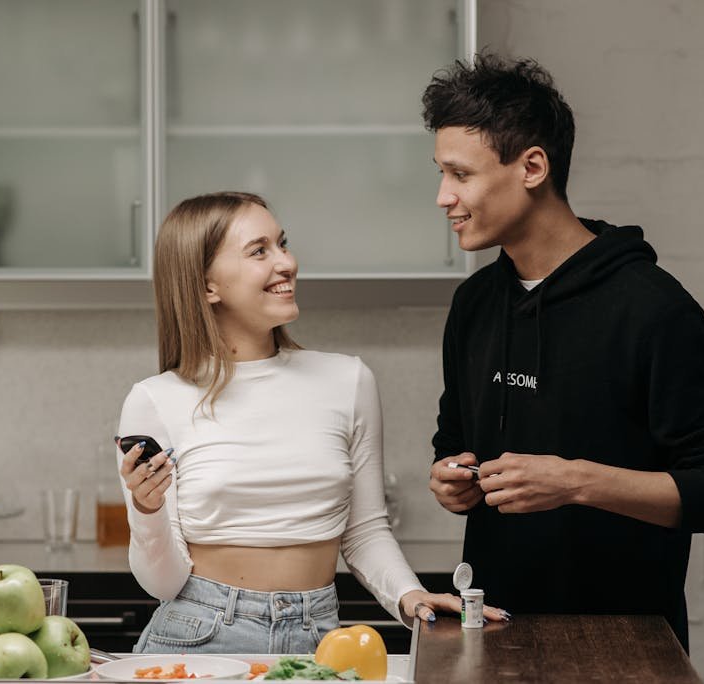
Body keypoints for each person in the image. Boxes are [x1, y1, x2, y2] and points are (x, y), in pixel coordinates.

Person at [422, 53, 704, 653]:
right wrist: (453, 479)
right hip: (494, 637)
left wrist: (575, 481)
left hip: (626, 647)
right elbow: (453, 441)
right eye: (441, 174)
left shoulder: (653, 308)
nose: (443, 197)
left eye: (460, 174)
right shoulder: (474, 303)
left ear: (532, 167)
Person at [116, 191, 508, 655]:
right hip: (199, 635)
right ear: (206, 287)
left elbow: (364, 530)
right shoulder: (156, 400)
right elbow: (162, 583)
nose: (286, 263)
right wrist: (146, 511)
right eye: (259, 251)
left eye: (282, 244)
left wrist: (409, 594)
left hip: (320, 637)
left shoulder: (348, 380)